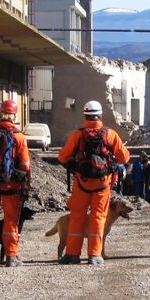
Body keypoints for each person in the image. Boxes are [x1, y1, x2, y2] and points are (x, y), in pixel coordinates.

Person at [57, 100, 130, 265]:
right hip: (102, 184)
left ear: (85, 115)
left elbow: (62, 157)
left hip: (81, 182)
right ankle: (95, 255)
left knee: (77, 216)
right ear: (100, 115)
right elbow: (124, 157)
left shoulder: (77, 135)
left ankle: (72, 255)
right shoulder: (109, 134)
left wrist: (74, 165)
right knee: (99, 217)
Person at [0, 100, 31, 267]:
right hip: (12, 187)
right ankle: (11, 256)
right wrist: (27, 184)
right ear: (14, 115)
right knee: (11, 220)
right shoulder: (18, 136)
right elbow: (25, 165)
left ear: (0, 113)